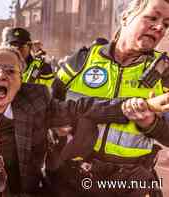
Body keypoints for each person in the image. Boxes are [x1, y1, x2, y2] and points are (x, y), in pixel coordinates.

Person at [0, 45, 169, 197]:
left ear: (21, 79)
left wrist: (137, 105)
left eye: (10, 70)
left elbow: (84, 108)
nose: (2, 75)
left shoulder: (36, 103)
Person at [51, 0, 169, 196]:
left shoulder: (165, 73)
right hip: (72, 179)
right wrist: (56, 124)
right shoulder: (81, 60)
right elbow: (48, 106)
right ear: (125, 17)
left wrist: (150, 124)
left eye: (166, 24)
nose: (159, 28)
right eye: (152, 17)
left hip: (129, 184)